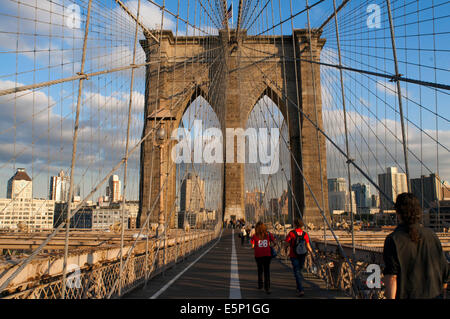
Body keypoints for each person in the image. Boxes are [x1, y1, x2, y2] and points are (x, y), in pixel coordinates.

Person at [383, 193, 449, 299]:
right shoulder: (432, 235)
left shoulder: (393, 239)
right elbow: (445, 273)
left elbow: (392, 278)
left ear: (398, 213)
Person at [284, 218, 313, 297]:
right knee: (299, 270)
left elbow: (286, 243)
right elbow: (307, 245)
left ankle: (300, 289)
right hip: (303, 254)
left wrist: (285, 249)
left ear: (295, 225)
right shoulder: (305, 234)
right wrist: (312, 252)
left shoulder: (291, 233)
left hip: (294, 255)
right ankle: (299, 287)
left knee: (297, 272)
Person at [251, 221, 276, 294]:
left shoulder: (255, 236)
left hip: (258, 255)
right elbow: (274, 243)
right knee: (267, 271)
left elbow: (252, 246)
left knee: (260, 270)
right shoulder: (268, 234)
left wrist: (257, 246)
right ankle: (267, 287)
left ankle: (260, 285)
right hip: (267, 255)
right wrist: (270, 246)